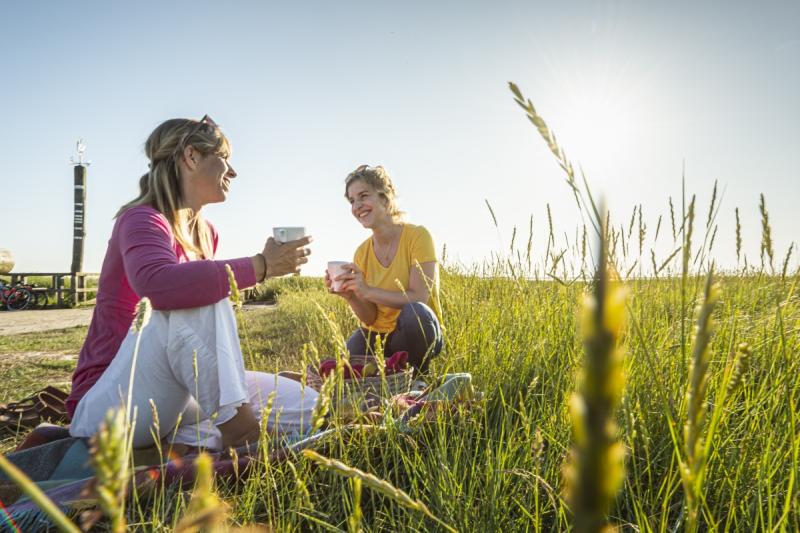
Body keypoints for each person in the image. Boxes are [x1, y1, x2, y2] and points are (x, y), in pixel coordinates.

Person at [67, 116, 318, 451]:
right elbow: (158, 285)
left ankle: (179, 446)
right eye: (225, 158)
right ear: (192, 157)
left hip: (172, 398)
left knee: (311, 408)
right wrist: (261, 266)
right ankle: (240, 434)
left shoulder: (206, 233)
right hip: (111, 403)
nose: (233, 171)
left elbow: (193, 344)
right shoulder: (141, 219)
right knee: (193, 291)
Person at [326, 165, 443, 373]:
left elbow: (419, 297)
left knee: (416, 314)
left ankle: (419, 378)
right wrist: (351, 296)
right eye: (352, 201)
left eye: (363, 196)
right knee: (351, 353)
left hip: (414, 332)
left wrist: (369, 291)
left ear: (384, 197)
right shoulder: (361, 253)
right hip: (379, 337)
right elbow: (370, 317)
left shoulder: (418, 236)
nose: (357, 206)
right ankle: (386, 383)